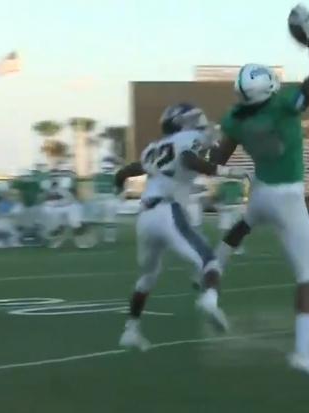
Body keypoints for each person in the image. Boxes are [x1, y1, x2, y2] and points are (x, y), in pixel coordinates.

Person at [208, 4, 309, 386]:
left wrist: (208, 155)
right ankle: (302, 352)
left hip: (260, 193)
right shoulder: (282, 106)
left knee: (241, 227)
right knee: (308, 275)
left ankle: (212, 279)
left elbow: (218, 159)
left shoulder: (236, 119)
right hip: (289, 198)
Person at [113, 103, 249, 351]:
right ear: (179, 123)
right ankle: (209, 301)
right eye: (192, 119)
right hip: (167, 211)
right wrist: (229, 171)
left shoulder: (153, 147)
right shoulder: (187, 139)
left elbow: (129, 170)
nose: (198, 123)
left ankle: (130, 330)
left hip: (145, 217)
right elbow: (188, 159)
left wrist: (118, 182)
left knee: (147, 277)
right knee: (210, 261)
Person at [91, 157, 120, 243]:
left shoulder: (114, 177)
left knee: (110, 219)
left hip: (109, 198)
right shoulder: (97, 176)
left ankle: (109, 237)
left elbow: (117, 190)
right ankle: (97, 236)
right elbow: (95, 188)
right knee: (96, 219)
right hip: (100, 198)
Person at [215, 178, 246, 255]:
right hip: (228, 208)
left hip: (233, 208)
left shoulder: (238, 185)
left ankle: (237, 247)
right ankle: (228, 247)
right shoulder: (226, 185)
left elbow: (241, 197)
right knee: (225, 229)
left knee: (231, 229)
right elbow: (219, 197)